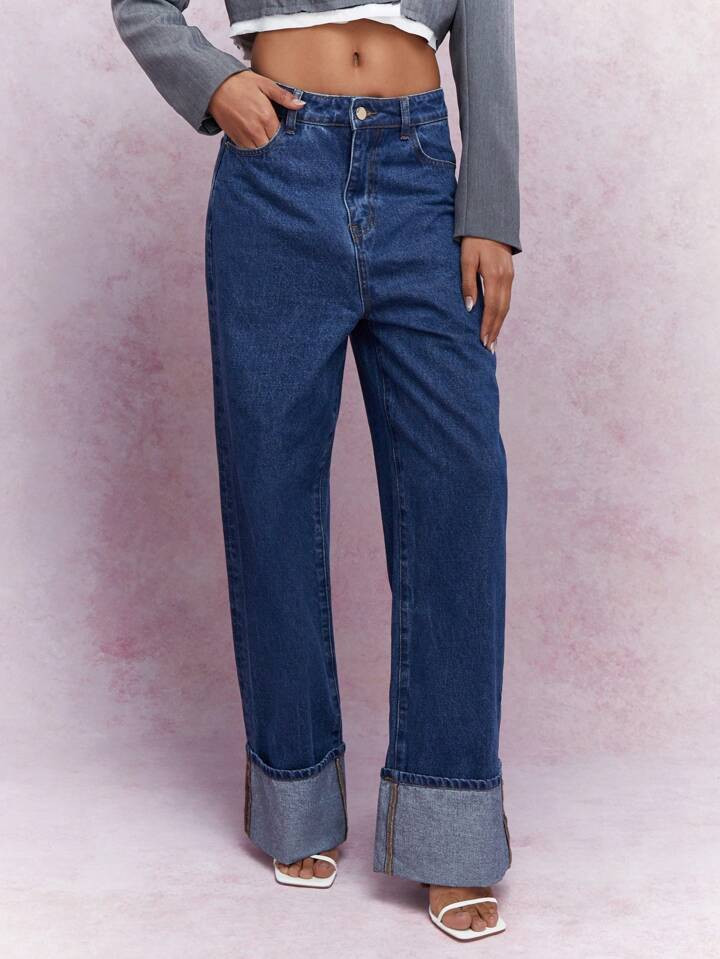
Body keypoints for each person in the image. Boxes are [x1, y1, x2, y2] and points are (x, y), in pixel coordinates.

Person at [111, 0, 521, 941]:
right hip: (277, 173)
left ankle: (451, 820)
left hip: (421, 174)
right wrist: (213, 80)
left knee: (461, 498)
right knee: (273, 494)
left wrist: (491, 212)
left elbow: (487, 26)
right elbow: (142, 6)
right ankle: (294, 791)